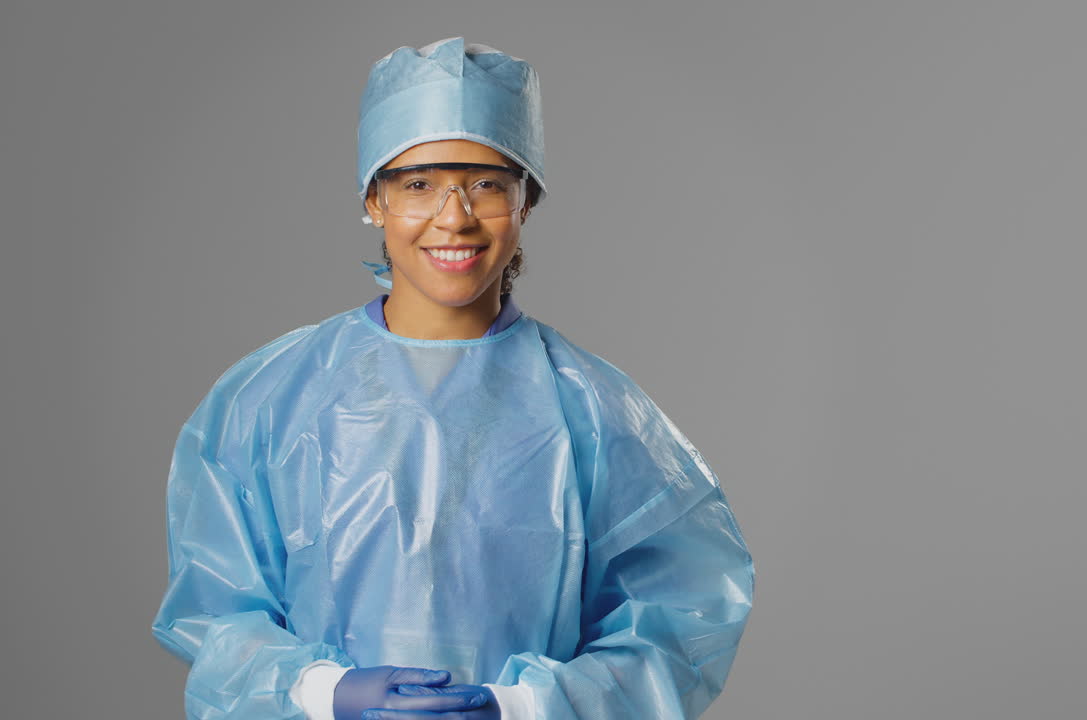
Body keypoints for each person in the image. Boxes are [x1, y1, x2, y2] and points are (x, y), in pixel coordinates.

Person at [152, 37, 755, 720]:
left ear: (526, 200)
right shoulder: (268, 400)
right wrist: (324, 695)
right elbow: (218, 614)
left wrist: (523, 707)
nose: (455, 216)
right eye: (418, 184)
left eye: (488, 184)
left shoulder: (596, 412)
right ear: (373, 199)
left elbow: (683, 617)